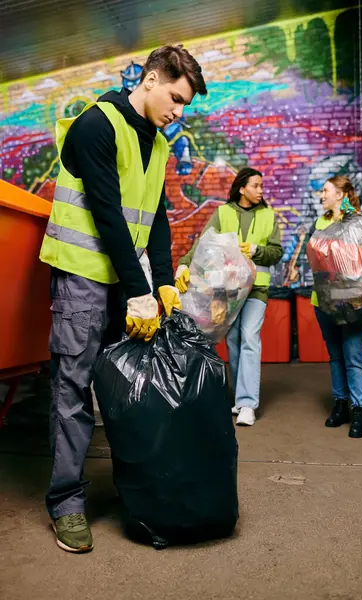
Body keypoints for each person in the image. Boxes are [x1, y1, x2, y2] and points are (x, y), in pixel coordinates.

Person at [39, 45, 207, 553]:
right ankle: (66, 502)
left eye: (185, 106)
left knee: (125, 391)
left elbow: (153, 219)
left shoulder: (156, 143)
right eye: (176, 98)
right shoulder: (97, 125)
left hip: (127, 285)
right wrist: (139, 293)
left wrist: (162, 285)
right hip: (84, 278)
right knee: (73, 392)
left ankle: (136, 495)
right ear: (152, 79)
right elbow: (109, 216)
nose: (178, 111)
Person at [175, 167, 283, 426]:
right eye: (256, 185)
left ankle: (247, 403)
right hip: (227, 290)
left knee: (249, 338)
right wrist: (183, 264)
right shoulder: (223, 213)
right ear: (242, 187)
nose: (260, 191)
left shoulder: (268, 216)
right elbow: (204, 243)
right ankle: (239, 398)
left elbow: (276, 253)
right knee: (233, 341)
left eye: (261, 186)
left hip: (257, 288)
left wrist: (257, 250)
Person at [309, 176, 362, 439]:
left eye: (325, 190)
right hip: (323, 301)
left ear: (340, 194)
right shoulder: (321, 222)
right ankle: (340, 405)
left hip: (353, 302)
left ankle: (359, 410)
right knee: (336, 355)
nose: (321, 195)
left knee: (354, 357)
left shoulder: (361, 223)